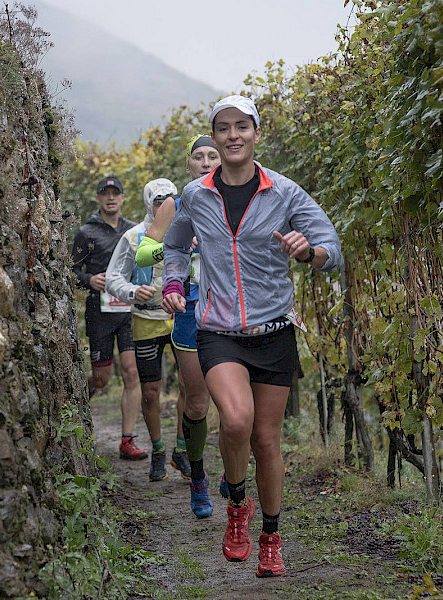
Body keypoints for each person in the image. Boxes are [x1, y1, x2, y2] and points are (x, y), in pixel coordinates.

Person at [162, 96, 343, 577]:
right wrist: (174, 281)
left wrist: (310, 252)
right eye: (223, 128)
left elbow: (332, 248)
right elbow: (175, 245)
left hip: (274, 332)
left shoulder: (284, 193)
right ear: (215, 137)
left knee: (266, 441)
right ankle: (236, 508)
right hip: (219, 331)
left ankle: (271, 536)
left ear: (256, 134)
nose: (233, 135)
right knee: (237, 421)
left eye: (242, 126)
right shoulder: (196, 195)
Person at [134, 135, 221, 518]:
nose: (205, 162)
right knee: (197, 398)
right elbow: (145, 253)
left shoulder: (247, 199)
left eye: (212, 155)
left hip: (237, 309)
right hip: (189, 307)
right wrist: (183, 245)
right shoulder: (177, 204)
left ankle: (235, 479)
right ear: (188, 166)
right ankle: (196, 473)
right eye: (198, 157)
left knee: (241, 403)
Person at [105, 178, 182, 483]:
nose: (164, 205)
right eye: (157, 200)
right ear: (148, 203)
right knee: (150, 392)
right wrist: (131, 291)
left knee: (191, 387)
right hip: (146, 319)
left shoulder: (188, 229)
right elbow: (113, 278)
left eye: (169, 199)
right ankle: (159, 450)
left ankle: (183, 450)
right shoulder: (133, 236)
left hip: (182, 318)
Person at [71, 176, 146, 461]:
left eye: (116, 193)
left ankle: (127, 440)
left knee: (131, 372)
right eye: (105, 193)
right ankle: (78, 403)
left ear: (123, 198)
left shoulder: (135, 231)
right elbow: (71, 271)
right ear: (98, 198)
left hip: (128, 311)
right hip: (99, 312)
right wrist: (90, 279)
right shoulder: (86, 233)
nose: (111, 198)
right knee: (101, 378)